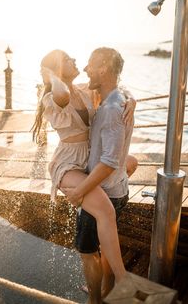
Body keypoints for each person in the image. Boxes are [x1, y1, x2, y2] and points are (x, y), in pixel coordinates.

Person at [32, 49, 136, 304]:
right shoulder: (52, 96)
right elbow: (62, 94)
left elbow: (115, 84)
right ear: (57, 70)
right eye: (68, 60)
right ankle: (122, 280)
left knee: (131, 163)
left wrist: (130, 99)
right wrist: (49, 75)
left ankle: (103, 287)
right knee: (106, 212)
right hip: (68, 165)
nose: (76, 61)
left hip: (87, 161)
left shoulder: (81, 89)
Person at [62, 47, 134, 304]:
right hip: (117, 190)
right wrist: (129, 95)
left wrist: (80, 191)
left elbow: (109, 163)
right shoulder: (118, 100)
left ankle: (95, 299)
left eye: (91, 64)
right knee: (107, 248)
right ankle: (106, 292)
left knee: (88, 252)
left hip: (103, 191)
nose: (85, 68)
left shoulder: (111, 109)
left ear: (103, 67)